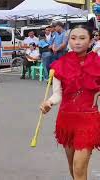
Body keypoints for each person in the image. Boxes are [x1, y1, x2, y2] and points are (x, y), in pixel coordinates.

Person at [40, 25, 100, 180]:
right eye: (73, 38)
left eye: (82, 38)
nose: (77, 42)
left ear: (91, 40)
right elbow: (57, 94)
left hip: (88, 120)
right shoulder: (60, 64)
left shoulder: (98, 63)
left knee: (79, 167)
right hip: (66, 120)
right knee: (73, 167)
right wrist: (49, 103)